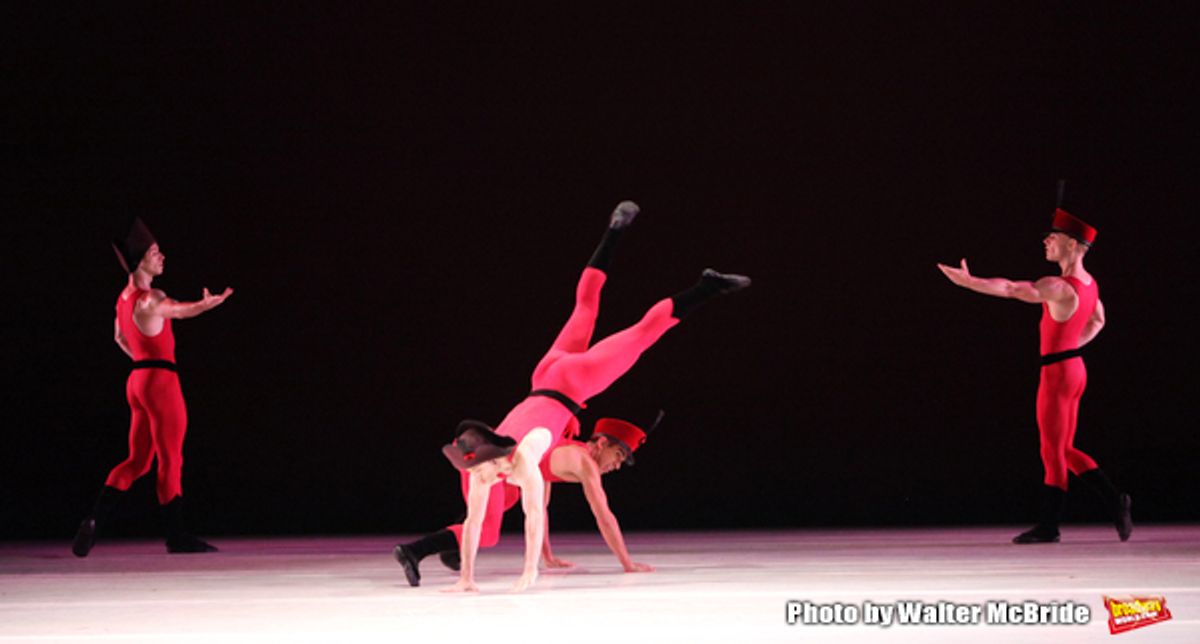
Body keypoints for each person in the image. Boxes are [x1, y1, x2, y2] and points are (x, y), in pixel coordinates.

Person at [423, 201, 749, 592]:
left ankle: (701, 283)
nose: (484, 479)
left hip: (569, 382)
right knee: (592, 309)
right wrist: (481, 577)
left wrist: (538, 571)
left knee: (634, 329)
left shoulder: (534, 455)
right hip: (546, 375)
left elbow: (545, 514)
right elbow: (512, 513)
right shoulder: (507, 459)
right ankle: (618, 232)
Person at [937, 206, 1132, 544]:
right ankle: (1115, 500)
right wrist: (1071, 346)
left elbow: (1012, 289)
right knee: (1065, 447)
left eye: (1052, 237)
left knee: (1051, 451)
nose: (1046, 241)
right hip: (1074, 368)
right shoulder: (1090, 284)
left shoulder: (1058, 286)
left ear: (1072, 245)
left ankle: (1049, 526)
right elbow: (1098, 319)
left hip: (1057, 373)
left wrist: (969, 283)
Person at [72, 217, 233, 556]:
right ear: (141, 259)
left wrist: (141, 358)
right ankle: (177, 536)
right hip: (160, 382)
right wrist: (204, 305)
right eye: (156, 252)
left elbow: (118, 336)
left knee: (137, 460)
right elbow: (173, 309)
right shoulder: (149, 297)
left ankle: (93, 521)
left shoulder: (123, 299)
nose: (162, 256)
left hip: (137, 380)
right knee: (170, 457)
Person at [394, 415, 657, 586]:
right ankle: (413, 551)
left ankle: (453, 548)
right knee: (487, 533)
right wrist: (627, 563)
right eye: (618, 454)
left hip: (493, 461)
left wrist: (548, 555)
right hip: (487, 456)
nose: (618, 465)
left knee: (505, 503)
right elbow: (604, 515)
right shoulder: (583, 462)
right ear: (600, 443)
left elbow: (540, 505)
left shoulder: (563, 449)